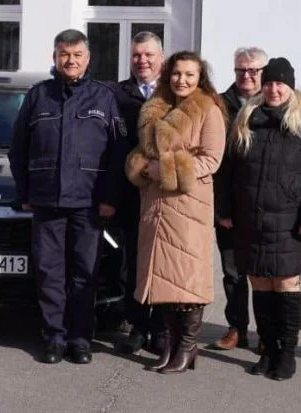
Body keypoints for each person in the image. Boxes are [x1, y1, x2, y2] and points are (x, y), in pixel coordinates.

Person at [9, 29, 125, 364]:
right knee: (49, 273)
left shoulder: (104, 97)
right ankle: (54, 338)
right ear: (55, 57)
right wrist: (25, 192)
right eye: (64, 54)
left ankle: (80, 339)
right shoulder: (38, 96)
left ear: (88, 58)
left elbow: (119, 151)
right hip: (46, 201)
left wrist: (109, 197)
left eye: (76, 55)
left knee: (84, 273)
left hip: (89, 203)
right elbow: (18, 148)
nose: (70, 60)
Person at [226, 57, 301, 380]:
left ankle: (287, 354)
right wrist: (225, 211)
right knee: (260, 285)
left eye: (280, 83)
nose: (274, 89)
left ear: (291, 87)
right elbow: (229, 170)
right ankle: (268, 349)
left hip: (289, 224)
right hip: (251, 222)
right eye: (270, 83)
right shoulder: (247, 119)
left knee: (286, 286)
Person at [125, 51, 227, 373]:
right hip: (156, 205)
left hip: (188, 204)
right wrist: (141, 166)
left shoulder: (209, 110)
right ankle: (169, 345)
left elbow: (211, 160)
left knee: (187, 279)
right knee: (164, 281)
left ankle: (187, 346)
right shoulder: (156, 106)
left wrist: (166, 169)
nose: (181, 80)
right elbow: (143, 151)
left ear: (200, 78)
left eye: (189, 74)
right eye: (176, 73)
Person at [211, 47, 268, 350]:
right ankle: (237, 328)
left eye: (253, 70)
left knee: (263, 274)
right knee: (233, 273)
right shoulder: (220, 104)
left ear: (264, 72)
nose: (246, 75)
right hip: (230, 205)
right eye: (240, 70)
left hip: (264, 206)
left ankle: (266, 333)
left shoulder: (276, 102)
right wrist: (220, 209)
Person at [114, 32, 166, 354]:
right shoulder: (117, 94)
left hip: (164, 194)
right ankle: (137, 326)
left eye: (148, 55)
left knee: (160, 263)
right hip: (129, 195)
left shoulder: (174, 92)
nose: (142, 61)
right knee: (131, 264)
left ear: (161, 57)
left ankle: (160, 328)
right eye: (136, 55)